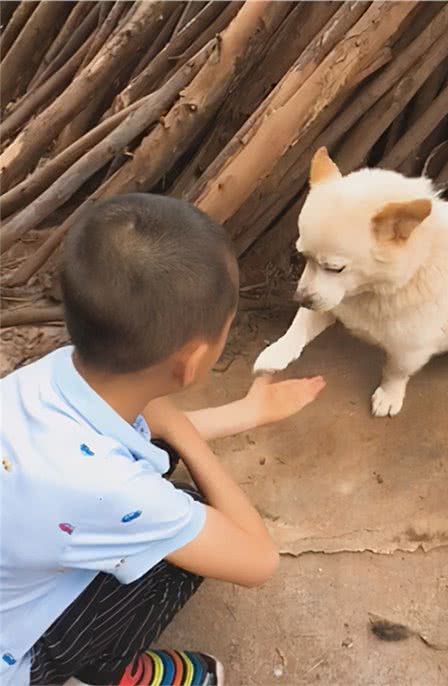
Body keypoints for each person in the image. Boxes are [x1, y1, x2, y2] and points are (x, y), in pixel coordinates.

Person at [0, 194, 325, 686]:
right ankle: (95, 671)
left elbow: (124, 440)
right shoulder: (114, 492)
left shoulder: (39, 380)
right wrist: (180, 431)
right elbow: (257, 560)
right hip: (13, 661)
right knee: (186, 522)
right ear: (192, 361)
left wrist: (247, 413)